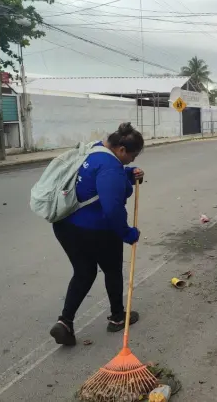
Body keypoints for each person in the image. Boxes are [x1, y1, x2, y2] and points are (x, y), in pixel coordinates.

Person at [49, 123, 145, 346]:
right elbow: (112, 209)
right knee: (112, 270)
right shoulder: (111, 167)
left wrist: (129, 173)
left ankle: (65, 322)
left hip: (65, 225)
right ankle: (118, 318)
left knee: (83, 271)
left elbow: (95, 181)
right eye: (132, 155)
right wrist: (127, 233)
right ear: (121, 150)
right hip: (95, 229)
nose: (132, 159)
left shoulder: (94, 149)